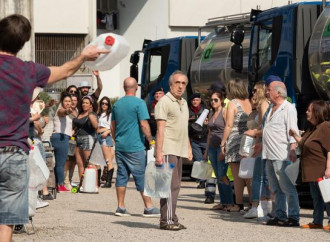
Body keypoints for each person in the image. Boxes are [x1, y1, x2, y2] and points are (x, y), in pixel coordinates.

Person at [0, 14, 107, 242]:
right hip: (14, 152)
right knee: (7, 221)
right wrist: (84, 55)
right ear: (24, 42)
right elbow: (66, 71)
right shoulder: (29, 71)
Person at [111, 77, 160, 217]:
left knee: (121, 175)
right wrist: (151, 140)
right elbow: (144, 124)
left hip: (120, 146)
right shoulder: (139, 103)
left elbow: (113, 125)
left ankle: (120, 207)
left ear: (123, 87)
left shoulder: (117, 104)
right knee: (140, 176)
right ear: (136, 88)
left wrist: (116, 140)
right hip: (135, 146)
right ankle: (149, 207)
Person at [155, 70, 193, 230]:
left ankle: (172, 217)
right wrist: (159, 152)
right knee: (170, 186)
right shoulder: (164, 102)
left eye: (183, 83)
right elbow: (160, 129)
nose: (180, 86)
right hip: (168, 149)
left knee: (175, 186)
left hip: (179, 149)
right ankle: (167, 220)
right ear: (170, 85)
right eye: (177, 83)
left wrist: (189, 148)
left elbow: (184, 128)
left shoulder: (183, 103)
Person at [262, 77, 300, 227]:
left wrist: (292, 149)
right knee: (276, 188)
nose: (266, 91)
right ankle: (280, 215)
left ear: (277, 93)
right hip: (269, 154)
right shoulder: (271, 108)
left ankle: (294, 216)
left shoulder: (288, 108)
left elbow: (293, 131)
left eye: (269, 89)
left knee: (287, 187)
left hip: (282, 154)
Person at [290, 100, 330, 230]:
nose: (306, 112)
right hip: (312, 171)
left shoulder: (325, 127)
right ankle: (317, 221)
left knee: (327, 197)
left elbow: (329, 149)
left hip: (321, 169)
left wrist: (329, 168)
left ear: (317, 112)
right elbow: (304, 143)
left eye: (309, 110)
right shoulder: (312, 128)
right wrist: (294, 135)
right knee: (316, 198)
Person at [220, 78, 252, 212]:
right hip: (248, 140)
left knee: (237, 175)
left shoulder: (233, 103)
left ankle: (238, 204)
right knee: (249, 174)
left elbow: (228, 125)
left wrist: (223, 142)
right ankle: (252, 203)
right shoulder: (249, 102)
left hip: (234, 141)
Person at [243, 81, 272, 219]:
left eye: (255, 90)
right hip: (259, 142)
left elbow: (264, 126)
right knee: (260, 176)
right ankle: (259, 206)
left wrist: (254, 133)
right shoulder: (260, 105)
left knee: (258, 177)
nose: (253, 93)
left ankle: (257, 206)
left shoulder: (264, 104)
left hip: (261, 143)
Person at [204, 90, 234, 210]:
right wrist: (206, 151)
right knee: (217, 176)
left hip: (222, 147)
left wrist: (225, 146)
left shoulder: (225, 112)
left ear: (221, 100)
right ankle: (223, 202)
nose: (213, 102)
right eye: (211, 100)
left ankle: (230, 202)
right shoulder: (211, 113)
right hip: (212, 147)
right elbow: (209, 134)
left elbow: (229, 128)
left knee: (222, 175)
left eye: (215, 100)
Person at [50, 92, 75, 192]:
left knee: (59, 163)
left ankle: (57, 184)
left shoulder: (69, 113)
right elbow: (63, 112)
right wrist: (68, 110)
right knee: (61, 163)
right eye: (66, 101)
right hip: (60, 137)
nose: (68, 103)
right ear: (62, 102)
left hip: (63, 137)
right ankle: (60, 184)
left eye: (69, 101)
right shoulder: (60, 110)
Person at [72, 95, 98, 180]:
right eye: (83, 102)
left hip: (87, 139)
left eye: (87, 103)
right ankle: (82, 183)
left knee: (89, 163)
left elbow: (96, 126)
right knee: (80, 163)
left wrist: (90, 116)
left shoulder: (92, 114)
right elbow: (78, 125)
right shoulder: (80, 113)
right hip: (77, 139)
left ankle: (93, 183)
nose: (84, 104)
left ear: (91, 105)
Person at [188, 93, 208, 190]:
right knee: (198, 161)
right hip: (195, 140)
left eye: (197, 100)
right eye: (193, 100)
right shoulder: (187, 111)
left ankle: (209, 181)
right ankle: (201, 181)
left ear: (200, 100)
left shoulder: (206, 111)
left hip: (205, 139)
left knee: (207, 161)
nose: (195, 102)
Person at [97, 96, 115, 188]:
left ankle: (108, 182)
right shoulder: (99, 114)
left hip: (105, 136)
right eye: (102, 103)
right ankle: (97, 181)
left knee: (108, 160)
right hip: (98, 136)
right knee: (97, 160)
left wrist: (108, 132)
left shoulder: (111, 114)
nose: (104, 105)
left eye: (106, 104)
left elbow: (114, 127)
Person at [64, 93, 79, 190]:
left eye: (75, 100)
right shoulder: (66, 111)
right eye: (71, 100)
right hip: (67, 137)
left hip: (76, 138)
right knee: (67, 159)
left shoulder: (77, 110)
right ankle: (65, 181)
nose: (73, 102)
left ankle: (70, 179)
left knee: (74, 160)